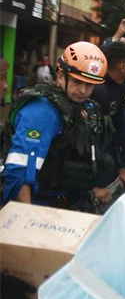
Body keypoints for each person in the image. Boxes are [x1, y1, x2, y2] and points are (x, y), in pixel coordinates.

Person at [1, 42, 117, 208]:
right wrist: (25, 217)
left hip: (67, 200)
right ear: (61, 75)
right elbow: (20, 169)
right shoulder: (43, 110)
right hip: (38, 201)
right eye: (77, 82)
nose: (83, 90)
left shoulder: (84, 107)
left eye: (89, 85)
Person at [92, 41, 125, 189]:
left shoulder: (122, 87)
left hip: (106, 150)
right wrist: (93, 186)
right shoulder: (98, 90)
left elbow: (118, 127)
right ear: (123, 67)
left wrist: (122, 168)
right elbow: (88, 138)